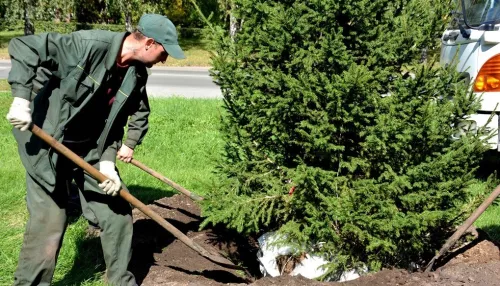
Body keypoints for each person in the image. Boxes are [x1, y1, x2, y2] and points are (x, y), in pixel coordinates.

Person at [5, 14, 185, 286]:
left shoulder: (135, 75)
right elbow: (25, 46)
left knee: (117, 213)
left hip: (89, 148)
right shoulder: (88, 45)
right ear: (149, 43)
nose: (165, 59)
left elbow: (116, 121)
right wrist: (21, 98)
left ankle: (121, 282)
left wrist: (108, 163)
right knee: (50, 222)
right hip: (47, 145)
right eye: (164, 51)